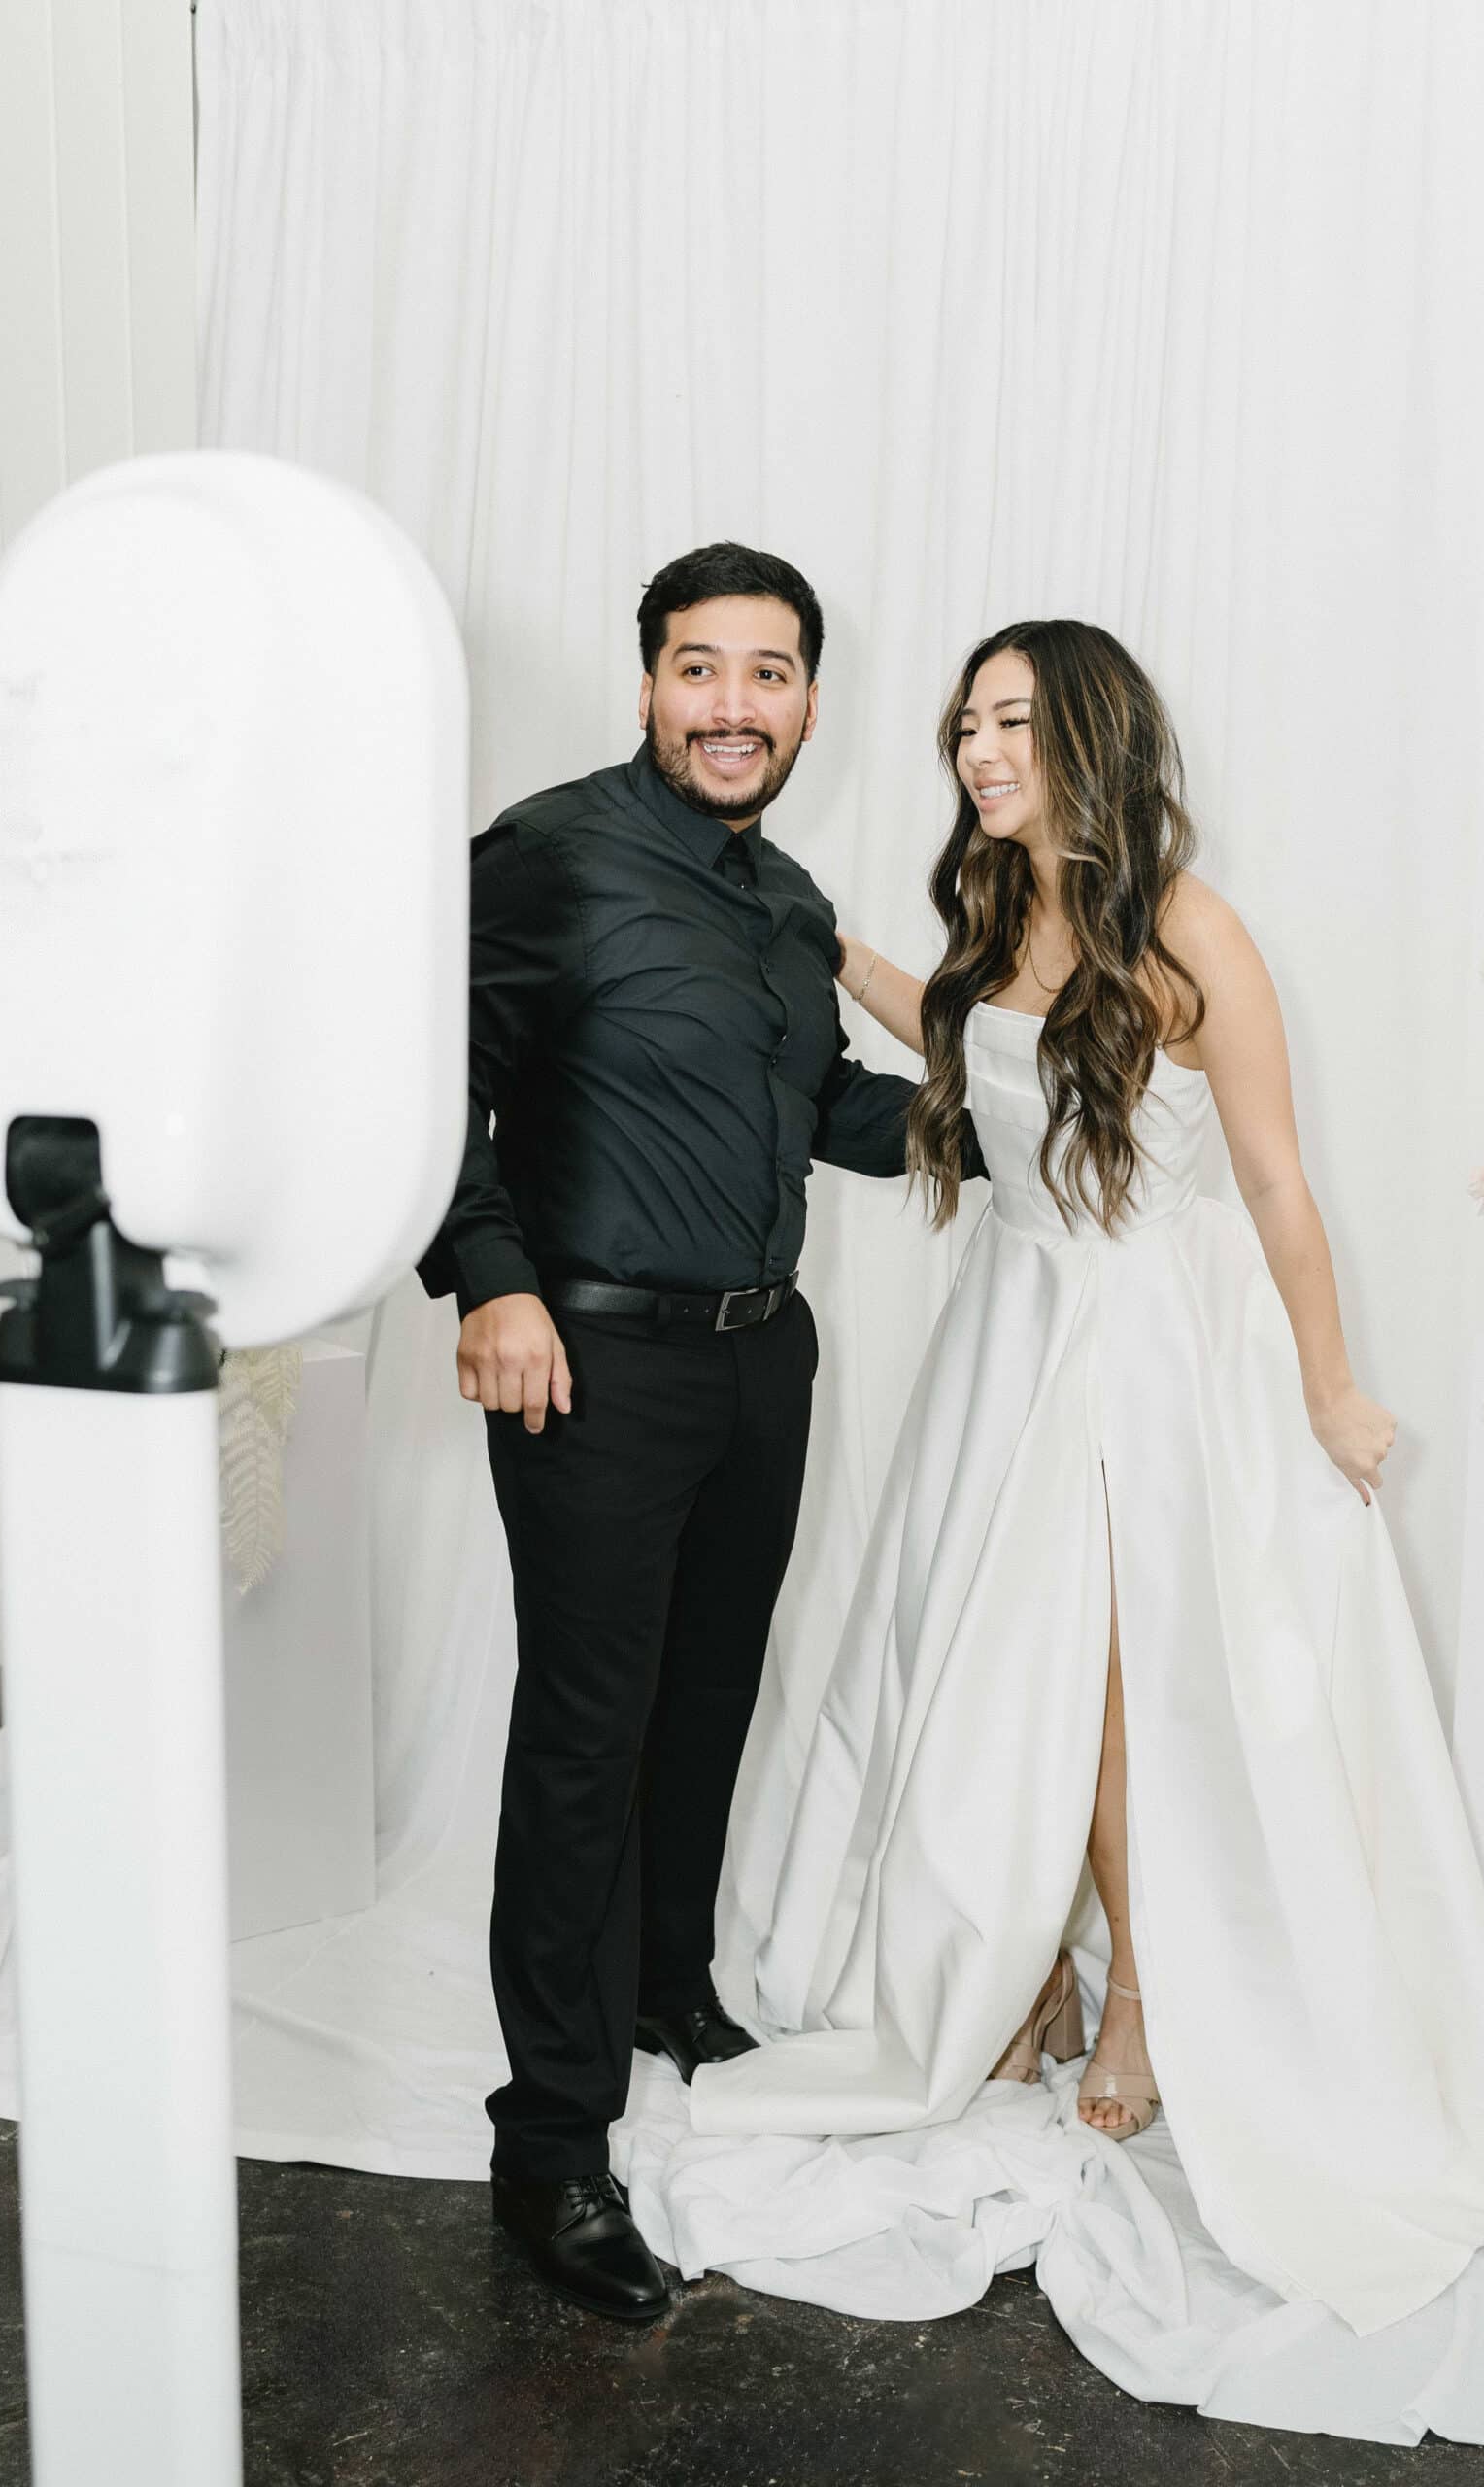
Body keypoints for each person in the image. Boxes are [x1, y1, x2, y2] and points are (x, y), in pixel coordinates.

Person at [684, 618, 1484, 2336]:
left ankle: (1145, 2002)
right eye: (965, 725)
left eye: (1010, 721)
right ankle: (1006, 1968)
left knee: (1109, 1693)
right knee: (988, 1670)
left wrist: (1329, 1387)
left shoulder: (1190, 925)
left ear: (1091, 733)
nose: (977, 751)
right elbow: (953, 1037)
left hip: (1156, 1345)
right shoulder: (994, 911)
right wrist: (820, 934)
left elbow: (1278, 1184)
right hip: (1007, 1339)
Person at [417, 542, 979, 2323]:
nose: (733, 706)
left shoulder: (795, 901)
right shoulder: (550, 852)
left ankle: (667, 1991)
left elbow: (823, 1103)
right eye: (699, 669)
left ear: (812, 699)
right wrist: (487, 1279)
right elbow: (421, 1065)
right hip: (584, 1357)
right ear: (651, 680)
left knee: (710, 1686)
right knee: (586, 1737)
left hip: (759, 1361)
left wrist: (1003, 1111)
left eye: (769, 675)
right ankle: (553, 2147)